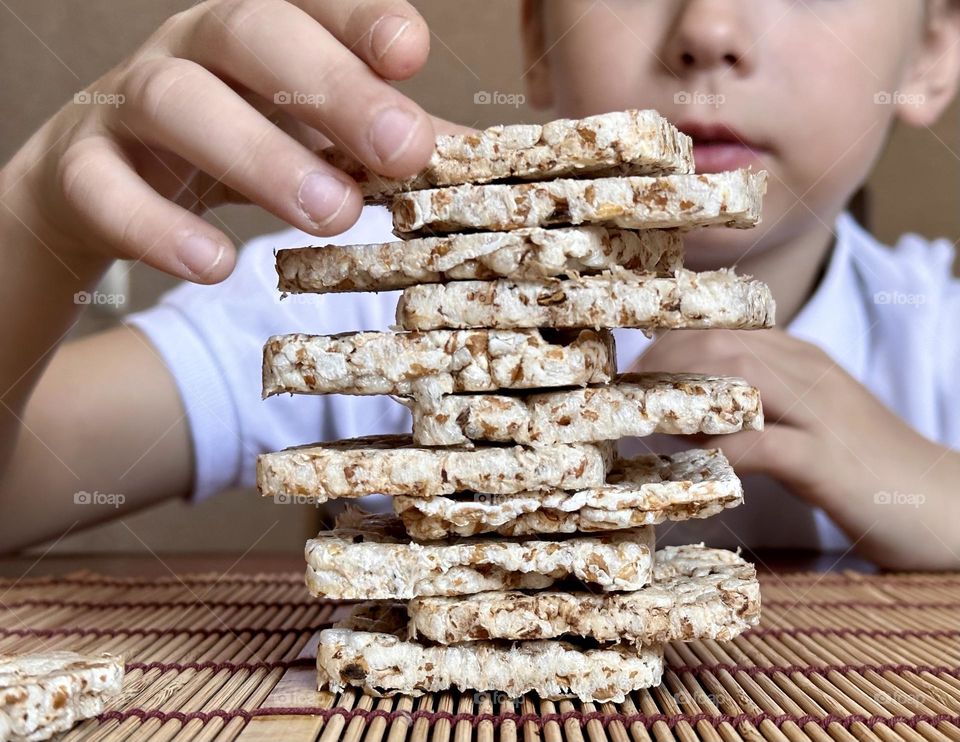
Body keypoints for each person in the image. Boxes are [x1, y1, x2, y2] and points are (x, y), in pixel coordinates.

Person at [1, 0, 958, 567]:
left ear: (931, 52)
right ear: (537, 35)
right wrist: (34, 226)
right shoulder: (366, 303)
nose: (707, 28)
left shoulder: (940, 342)